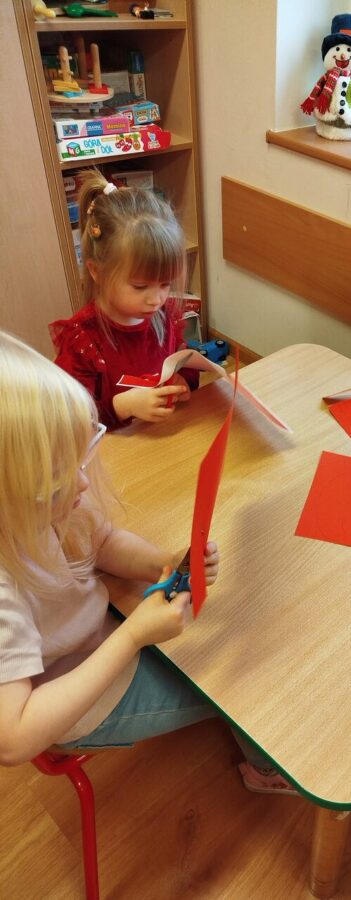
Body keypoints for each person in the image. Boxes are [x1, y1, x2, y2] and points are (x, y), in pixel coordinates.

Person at [0, 332, 296, 795]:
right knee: (243, 679)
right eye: (58, 481)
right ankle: (265, 769)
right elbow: (15, 739)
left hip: (101, 633)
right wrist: (133, 637)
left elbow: (101, 540)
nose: (82, 485)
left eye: (79, 462)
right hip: (76, 702)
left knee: (238, 625)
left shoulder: (39, 498)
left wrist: (162, 561)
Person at [50, 169, 198, 431]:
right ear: (97, 272)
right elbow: (71, 419)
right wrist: (122, 406)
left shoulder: (164, 316)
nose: (157, 299)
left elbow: (181, 358)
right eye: (140, 286)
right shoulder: (82, 342)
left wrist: (185, 380)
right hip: (115, 447)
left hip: (163, 436)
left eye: (165, 284)